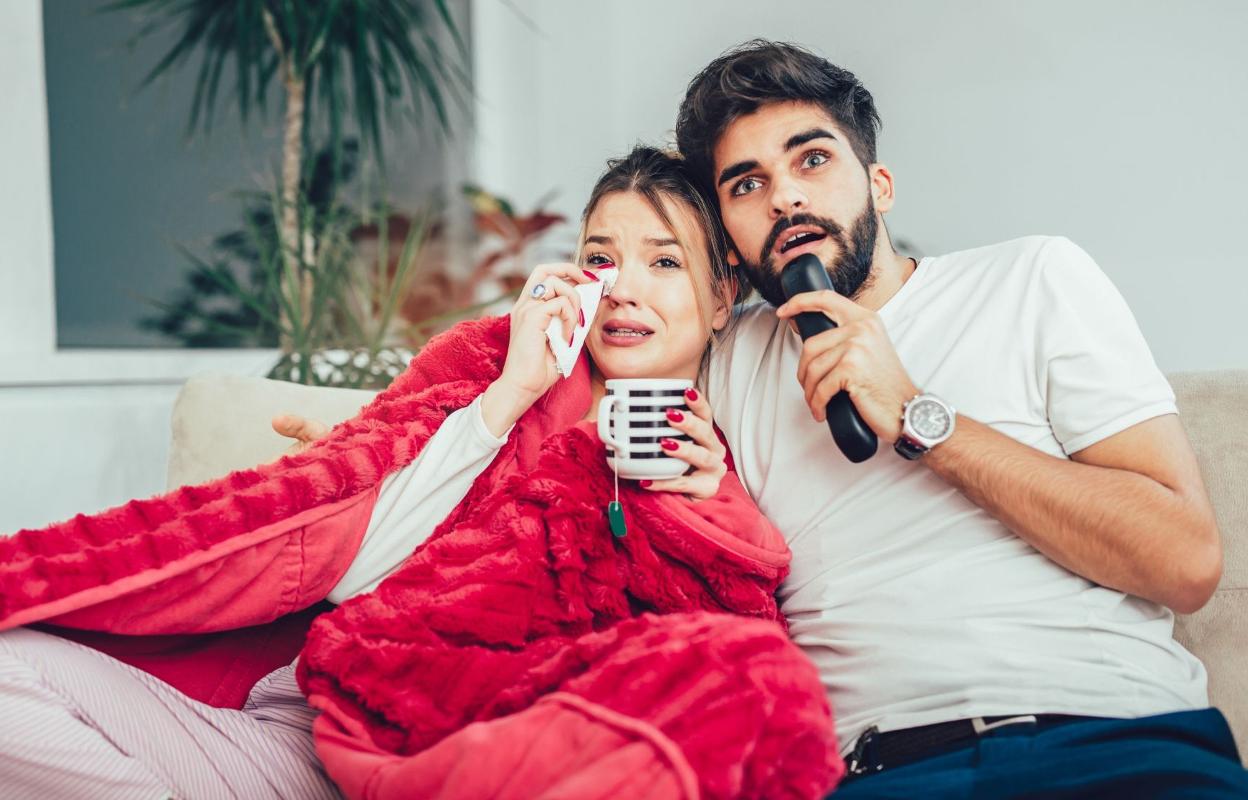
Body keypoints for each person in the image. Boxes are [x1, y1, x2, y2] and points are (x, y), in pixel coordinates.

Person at [0, 147, 841, 799]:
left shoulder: (710, 461)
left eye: (663, 262)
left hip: (482, 751)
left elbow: (712, 670)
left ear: (722, 297)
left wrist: (700, 507)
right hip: (309, 719)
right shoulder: (488, 367)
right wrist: (509, 396)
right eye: (602, 259)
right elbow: (355, 566)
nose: (624, 290)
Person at [668, 39, 1247, 797]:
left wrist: (917, 414)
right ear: (727, 235)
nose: (784, 199)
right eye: (747, 184)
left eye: (812, 159)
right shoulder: (723, 359)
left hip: (1112, 738)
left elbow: (1186, 562)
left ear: (879, 185)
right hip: (879, 770)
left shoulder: (1032, 279)